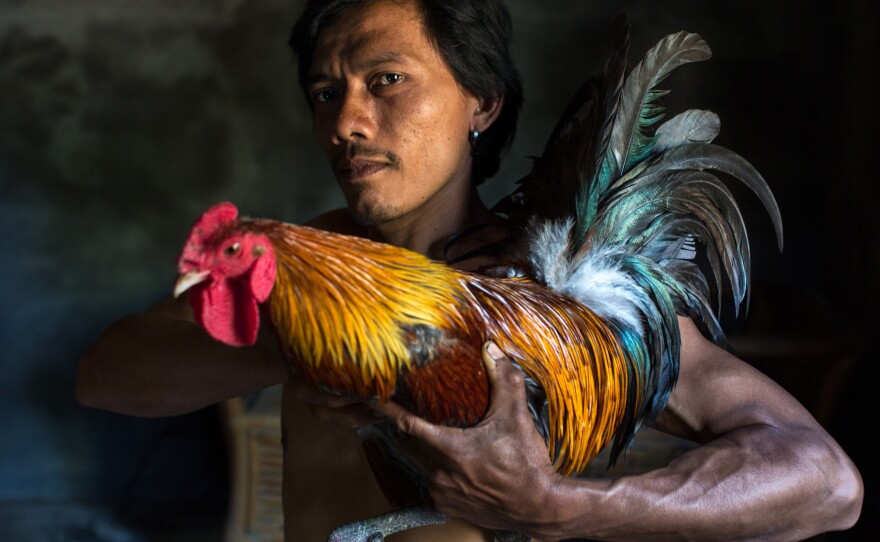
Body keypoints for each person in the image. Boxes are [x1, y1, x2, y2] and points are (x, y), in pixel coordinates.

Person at [78, 0, 863, 540]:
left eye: (387, 80)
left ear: (481, 102)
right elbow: (105, 378)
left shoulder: (554, 301)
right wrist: (327, 345)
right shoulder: (306, 269)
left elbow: (826, 483)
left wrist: (562, 507)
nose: (346, 122)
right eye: (326, 92)